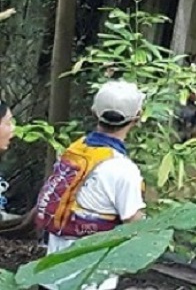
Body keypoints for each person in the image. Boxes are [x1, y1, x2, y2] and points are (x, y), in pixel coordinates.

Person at [35, 81, 146, 290]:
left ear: (94, 111)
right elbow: (136, 225)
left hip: (50, 278)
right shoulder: (123, 169)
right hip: (90, 283)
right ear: (137, 117)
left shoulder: (75, 151)